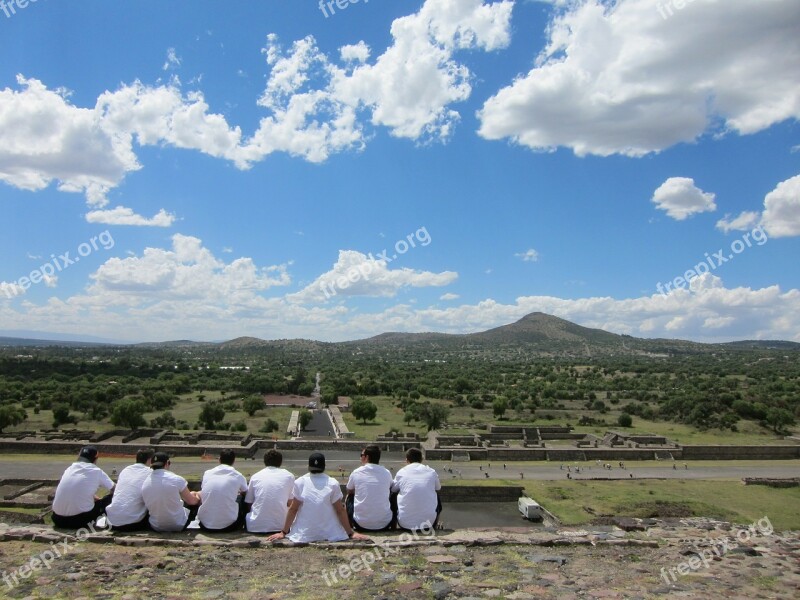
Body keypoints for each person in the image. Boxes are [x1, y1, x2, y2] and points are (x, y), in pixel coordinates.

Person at [268, 452, 368, 543]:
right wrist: (351, 533)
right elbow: (340, 510)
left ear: (308, 466)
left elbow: (293, 509)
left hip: (304, 534)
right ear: (324, 466)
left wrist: (283, 532)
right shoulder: (332, 483)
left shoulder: (300, 482)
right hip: (330, 533)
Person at [51, 446, 115, 530]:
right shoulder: (96, 471)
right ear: (95, 459)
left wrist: (92, 496)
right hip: (79, 521)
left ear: (79, 456)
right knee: (111, 497)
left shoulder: (69, 469)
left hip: (57, 519)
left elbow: (73, 488)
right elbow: (115, 489)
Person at [141, 452, 201, 532]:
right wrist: (197, 496)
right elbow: (192, 501)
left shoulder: (145, 482)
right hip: (178, 525)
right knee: (192, 500)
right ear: (167, 463)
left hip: (156, 526)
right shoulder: (176, 479)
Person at [244, 449, 295, 534]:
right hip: (281, 525)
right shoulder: (289, 476)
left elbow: (249, 502)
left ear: (265, 461)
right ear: (280, 462)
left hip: (255, 526)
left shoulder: (256, 476)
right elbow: (291, 503)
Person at [197, 449, 248, 532]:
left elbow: (204, 490)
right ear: (233, 461)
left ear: (219, 459)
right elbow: (246, 492)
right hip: (229, 526)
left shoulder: (208, 473)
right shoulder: (238, 475)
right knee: (242, 498)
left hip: (205, 525)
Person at [391, 448, 441, 531]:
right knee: (436, 494)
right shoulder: (431, 471)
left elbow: (393, 489)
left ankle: (393, 526)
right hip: (428, 524)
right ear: (421, 459)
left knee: (394, 495)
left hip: (405, 524)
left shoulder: (402, 472)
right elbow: (438, 488)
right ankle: (435, 525)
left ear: (407, 460)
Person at [105, 448, 155, 531]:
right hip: (133, 523)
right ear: (150, 460)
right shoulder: (150, 472)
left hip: (112, 521)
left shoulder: (126, 470)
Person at [346, 445, 393, 531]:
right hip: (385, 524)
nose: (361, 457)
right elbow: (391, 487)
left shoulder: (356, 472)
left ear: (367, 457)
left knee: (349, 497)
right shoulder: (387, 473)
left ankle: (350, 526)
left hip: (360, 524)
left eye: (362, 455)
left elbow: (349, 490)